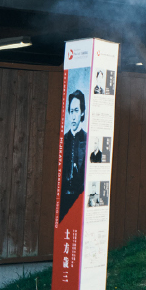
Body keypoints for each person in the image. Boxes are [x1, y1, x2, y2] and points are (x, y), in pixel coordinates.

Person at [59, 90, 87, 222]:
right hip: (62, 200)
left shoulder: (87, 139)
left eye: (76, 110)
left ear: (82, 112)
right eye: (71, 111)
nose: (73, 116)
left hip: (80, 199)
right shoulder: (63, 139)